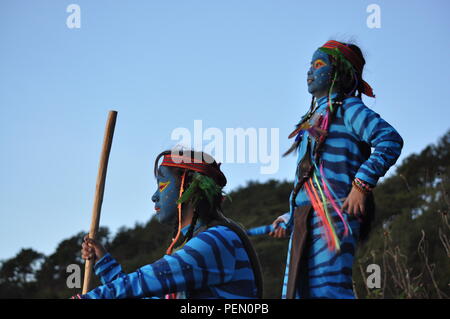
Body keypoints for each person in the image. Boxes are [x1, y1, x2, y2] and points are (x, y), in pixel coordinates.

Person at [269, 40, 403, 299]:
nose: (309, 71)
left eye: (318, 65)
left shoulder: (348, 109)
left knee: (328, 290)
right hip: (303, 218)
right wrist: (289, 215)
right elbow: (309, 177)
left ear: (339, 72)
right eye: (309, 65)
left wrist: (361, 185)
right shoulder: (311, 120)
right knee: (298, 292)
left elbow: (389, 139)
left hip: (334, 215)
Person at [75, 149, 263, 299]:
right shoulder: (200, 244)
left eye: (162, 184)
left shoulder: (218, 240)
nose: (154, 196)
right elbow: (141, 292)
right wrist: (104, 262)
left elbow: (142, 283)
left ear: (188, 184)